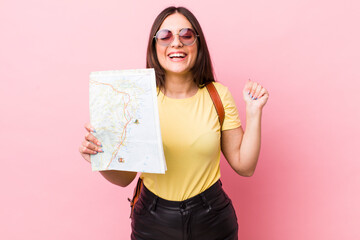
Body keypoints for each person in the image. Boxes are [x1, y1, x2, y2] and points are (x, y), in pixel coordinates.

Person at [79, 6, 269, 240]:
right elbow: (125, 178)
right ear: (154, 46)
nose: (176, 43)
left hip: (212, 219)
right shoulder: (138, 100)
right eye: (165, 36)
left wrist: (254, 112)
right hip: (153, 221)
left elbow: (245, 166)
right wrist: (99, 156)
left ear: (198, 45)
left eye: (186, 35)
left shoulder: (217, 95)